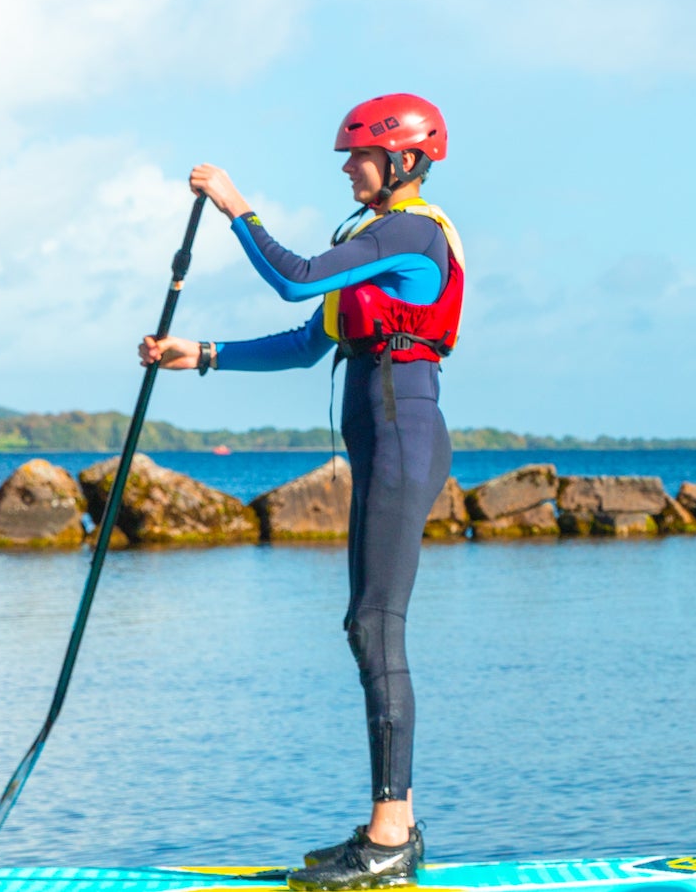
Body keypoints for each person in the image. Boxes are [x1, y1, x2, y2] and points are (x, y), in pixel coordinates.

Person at [140, 94, 463, 892]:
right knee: (364, 624)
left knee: (377, 624)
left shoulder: (412, 233)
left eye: (360, 155)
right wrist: (201, 353)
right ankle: (395, 826)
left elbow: (293, 278)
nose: (348, 167)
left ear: (405, 160)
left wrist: (234, 205)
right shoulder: (372, 242)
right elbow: (306, 340)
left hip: (403, 431)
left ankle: (391, 837)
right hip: (385, 435)